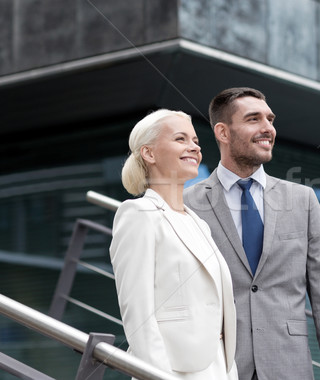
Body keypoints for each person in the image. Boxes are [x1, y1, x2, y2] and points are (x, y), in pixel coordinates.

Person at [184, 88, 320, 380]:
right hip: (217, 369)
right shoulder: (187, 204)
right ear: (223, 132)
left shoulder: (303, 200)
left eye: (270, 119)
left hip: (288, 368)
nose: (268, 129)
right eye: (254, 119)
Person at [109, 109, 238, 379]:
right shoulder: (138, 215)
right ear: (149, 153)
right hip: (173, 372)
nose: (193, 146)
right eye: (181, 139)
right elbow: (138, 315)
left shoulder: (199, 224)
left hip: (217, 369)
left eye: (195, 141)